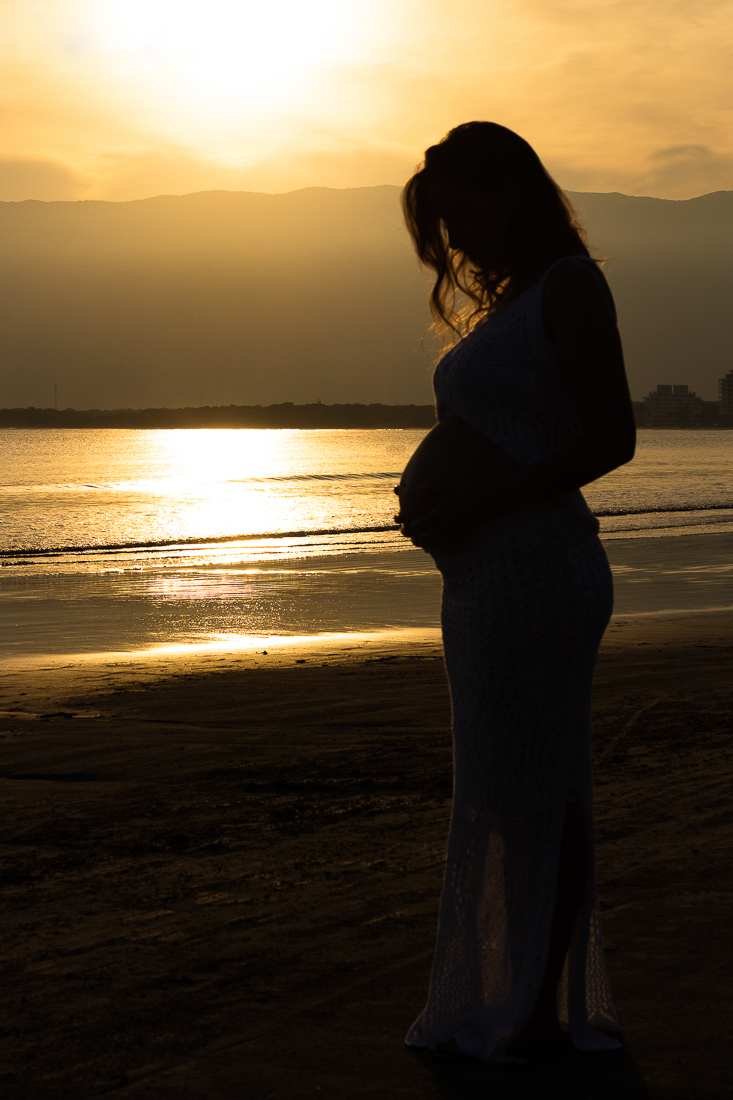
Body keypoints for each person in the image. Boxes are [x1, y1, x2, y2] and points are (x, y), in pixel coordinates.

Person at [395, 122, 636, 1063]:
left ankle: (537, 1009)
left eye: (460, 211)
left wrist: (483, 500)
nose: (452, 238)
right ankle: (512, 996)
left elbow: (611, 438)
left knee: (543, 785)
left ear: (512, 190)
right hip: (488, 573)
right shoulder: (512, 305)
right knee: (502, 785)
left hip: (537, 568)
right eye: (440, 220)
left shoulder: (569, 287)